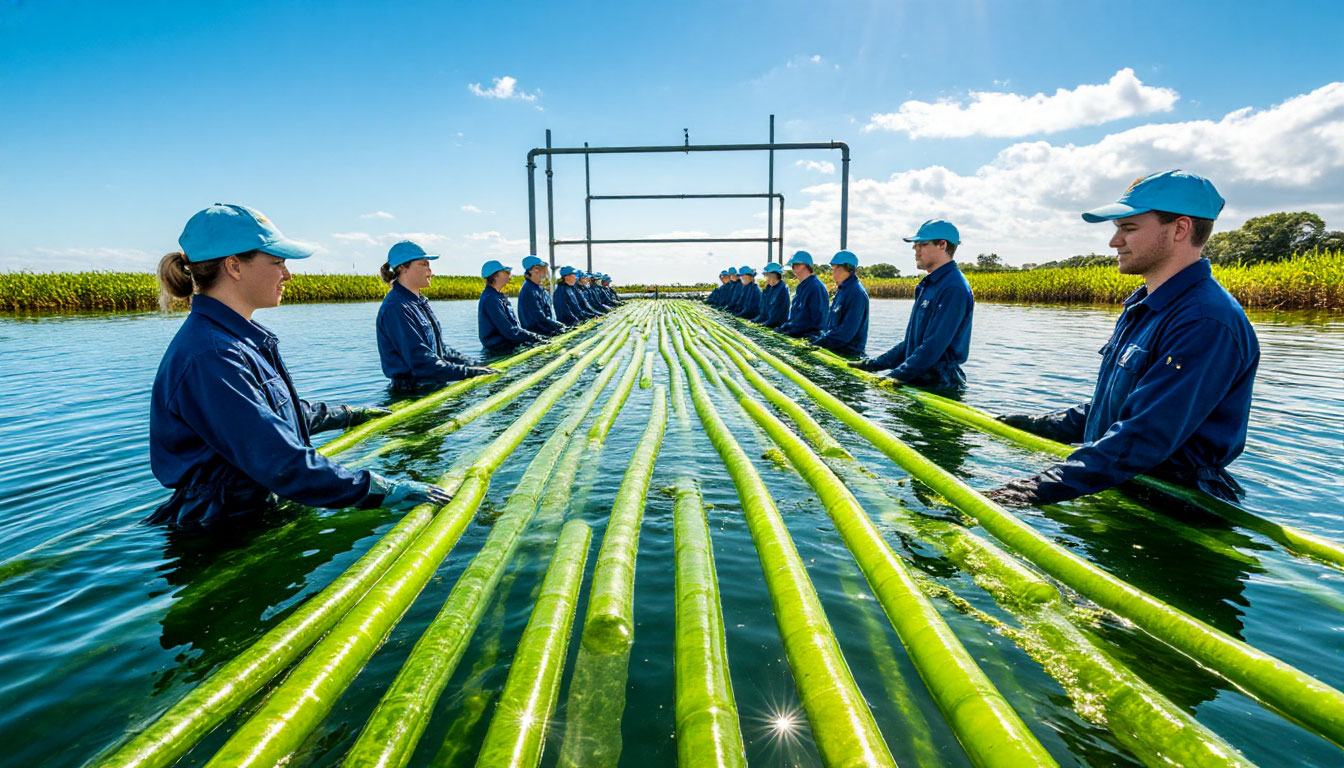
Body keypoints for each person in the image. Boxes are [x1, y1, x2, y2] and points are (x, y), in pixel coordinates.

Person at [150, 204, 450, 528]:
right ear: (234, 266)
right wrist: (379, 489)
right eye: (278, 262)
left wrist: (349, 414)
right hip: (224, 531)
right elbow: (279, 461)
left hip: (255, 512)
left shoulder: (235, 340)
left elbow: (276, 416)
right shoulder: (212, 356)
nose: (288, 275)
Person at [987, 170, 1260, 507]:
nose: (1114, 241)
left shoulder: (1204, 320)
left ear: (1180, 229)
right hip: (1119, 485)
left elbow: (1143, 436)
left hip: (1172, 507)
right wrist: (1036, 424)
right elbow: (1117, 408)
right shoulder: (1146, 307)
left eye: (1128, 228)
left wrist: (1026, 492)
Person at [849, 220, 974, 391]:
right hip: (917, 378)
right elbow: (911, 344)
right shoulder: (928, 285)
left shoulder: (953, 288)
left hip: (939, 385)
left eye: (922, 244)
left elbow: (933, 346)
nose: (915, 249)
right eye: (915, 245)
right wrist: (872, 365)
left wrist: (896, 376)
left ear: (942, 245)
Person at [377, 240, 496, 392]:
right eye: (423, 265)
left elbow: (440, 350)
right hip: (412, 393)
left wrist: (475, 365)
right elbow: (422, 362)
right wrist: (469, 373)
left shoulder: (419, 302)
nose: (430, 272)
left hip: (432, 385)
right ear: (403, 268)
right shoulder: (396, 308)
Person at [479, 260, 547, 356]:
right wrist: (534, 337)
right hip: (498, 350)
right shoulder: (491, 299)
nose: (510, 275)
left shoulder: (497, 296)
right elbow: (508, 330)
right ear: (495, 276)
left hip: (507, 346)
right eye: (506, 272)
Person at [811, 250, 869, 356]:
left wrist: (819, 343)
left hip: (848, 354)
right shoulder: (842, 290)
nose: (832, 273)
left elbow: (846, 333)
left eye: (834, 269)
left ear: (845, 268)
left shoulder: (856, 293)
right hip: (834, 349)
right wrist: (818, 339)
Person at [778, 251, 829, 337]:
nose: (793, 270)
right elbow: (795, 318)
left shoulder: (816, 288)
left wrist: (793, 331)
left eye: (793, 266)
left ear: (803, 265)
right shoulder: (801, 287)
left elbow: (816, 321)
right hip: (797, 334)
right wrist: (784, 328)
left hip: (808, 338)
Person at [517, 255, 567, 336]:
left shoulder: (539, 289)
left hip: (546, 332)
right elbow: (539, 318)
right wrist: (558, 326)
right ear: (535, 270)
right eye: (544, 267)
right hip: (538, 334)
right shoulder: (529, 291)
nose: (546, 271)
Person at [753, 262, 790, 327]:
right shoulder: (768, 289)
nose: (765, 277)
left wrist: (763, 325)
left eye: (766, 274)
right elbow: (763, 313)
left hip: (776, 326)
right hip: (768, 323)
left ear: (773, 275)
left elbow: (776, 317)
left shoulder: (782, 290)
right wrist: (754, 321)